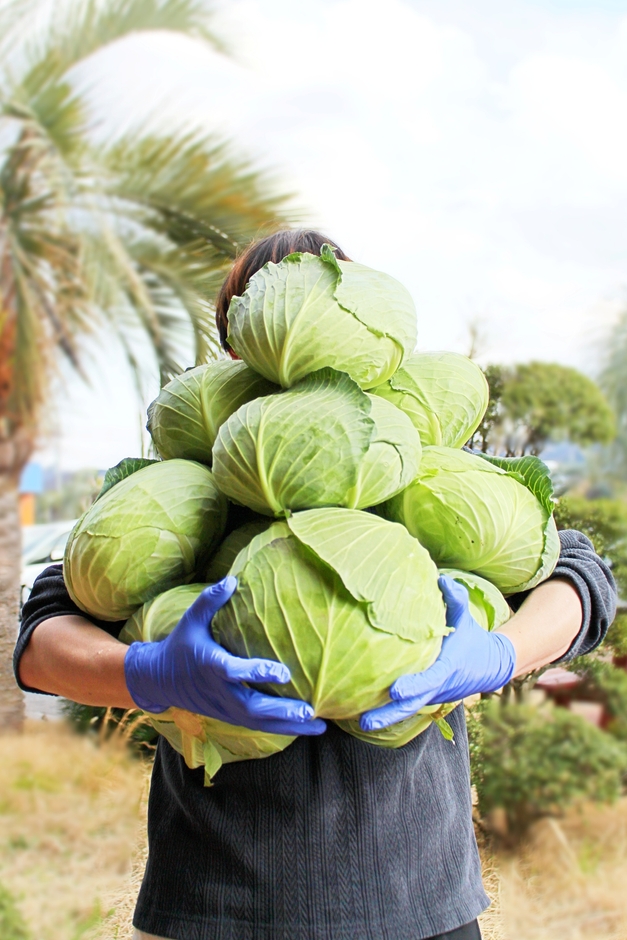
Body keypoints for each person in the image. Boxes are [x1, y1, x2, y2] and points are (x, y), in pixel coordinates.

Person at [15, 230, 617, 940]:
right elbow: (42, 642)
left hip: (417, 899)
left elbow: (582, 581)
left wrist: (498, 653)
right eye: (268, 305)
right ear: (237, 342)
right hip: (216, 906)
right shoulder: (196, 468)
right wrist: (148, 671)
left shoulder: (412, 455)